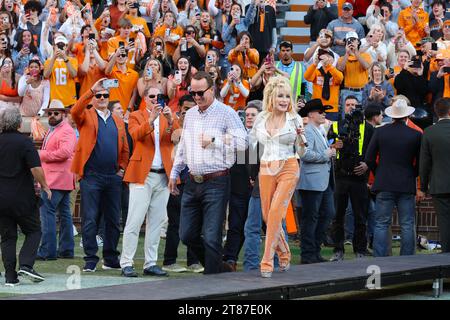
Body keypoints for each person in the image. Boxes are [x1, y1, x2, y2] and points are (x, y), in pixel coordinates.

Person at [169, 71, 247, 274]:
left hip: (217, 181)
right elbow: (184, 146)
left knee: (212, 236)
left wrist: (215, 140)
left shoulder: (227, 112)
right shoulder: (192, 114)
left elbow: (243, 142)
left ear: (211, 90)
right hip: (192, 180)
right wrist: (174, 173)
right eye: (192, 93)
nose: (196, 97)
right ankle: (218, 269)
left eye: (200, 93)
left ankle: (212, 280)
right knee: (186, 234)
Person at [70, 78, 130, 272]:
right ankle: (90, 259)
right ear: (94, 98)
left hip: (113, 177)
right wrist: (90, 90)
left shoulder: (119, 121)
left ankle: (111, 258)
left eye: (105, 95)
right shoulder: (86, 115)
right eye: (99, 95)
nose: (102, 98)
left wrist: (122, 169)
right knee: (90, 218)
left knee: (113, 219)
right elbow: (74, 111)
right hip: (92, 176)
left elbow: (125, 149)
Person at [249, 76, 306, 278]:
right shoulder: (261, 118)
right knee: (267, 215)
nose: (284, 100)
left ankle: (266, 261)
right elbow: (250, 146)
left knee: (275, 212)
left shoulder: (295, 119)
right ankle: (284, 252)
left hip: (289, 166)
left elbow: (302, 152)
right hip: (265, 167)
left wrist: (301, 139)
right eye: (280, 96)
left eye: (287, 96)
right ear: (271, 97)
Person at [120, 86, 179, 277]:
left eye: (158, 96)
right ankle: (127, 262)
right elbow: (136, 135)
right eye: (151, 96)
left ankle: (150, 263)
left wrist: (170, 120)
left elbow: (177, 137)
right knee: (134, 220)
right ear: (144, 98)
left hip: (163, 175)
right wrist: (151, 119)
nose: (155, 99)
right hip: (141, 174)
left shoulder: (169, 116)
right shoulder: (137, 115)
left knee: (157, 222)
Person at [365, 98, 423, 257]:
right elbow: (420, 162)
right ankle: (407, 259)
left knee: (381, 223)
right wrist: (412, 173)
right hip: (405, 182)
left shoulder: (380, 132)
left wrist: (379, 173)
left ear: (392, 115)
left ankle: (380, 258)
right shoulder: (415, 135)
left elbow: (369, 159)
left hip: (384, 182)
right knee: (407, 224)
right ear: (406, 116)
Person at [0, 106, 49, 286]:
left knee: (8, 237)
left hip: (1, 199)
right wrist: (45, 186)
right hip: (22, 197)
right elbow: (35, 168)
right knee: (34, 230)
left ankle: (10, 277)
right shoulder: (24, 142)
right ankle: (26, 265)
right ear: (20, 123)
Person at [327, 96, 375, 261]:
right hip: (341, 176)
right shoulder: (335, 125)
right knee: (338, 215)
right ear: (343, 107)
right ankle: (338, 250)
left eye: (354, 105)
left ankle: (360, 249)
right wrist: (334, 145)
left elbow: (375, 150)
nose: (351, 107)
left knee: (360, 215)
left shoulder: (368, 128)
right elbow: (327, 143)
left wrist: (367, 165)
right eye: (348, 105)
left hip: (359, 178)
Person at [162, 94, 203, 273]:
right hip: (177, 180)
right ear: (179, 109)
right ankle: (169, 260)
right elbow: (175, 137)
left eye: (191, 108)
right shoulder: (175, 124)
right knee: (175, 222)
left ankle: (193, 261)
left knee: (195, 222)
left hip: (195, 180)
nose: (188, 112)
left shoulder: (199, 125)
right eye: (185, 109)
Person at [37, 99, 77, 260]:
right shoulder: (55, 129)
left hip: (56, 179)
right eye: (50, 113)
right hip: (60, 178)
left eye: (56, 113)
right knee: (65, 215)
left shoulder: (65, 130)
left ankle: (48, 251)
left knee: (48, 214)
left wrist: (42, 155)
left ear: (64, 114)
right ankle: (66, 250)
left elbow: (65, 153)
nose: (52, 116)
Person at [298, 99, 336, 264]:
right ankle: (308, 253)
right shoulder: (307, 130)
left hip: (322, 180)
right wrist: (325, 156)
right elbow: (304, 154)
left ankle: (314, 250)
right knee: (311, 217)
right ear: (311, 114)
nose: (324, 114)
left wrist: (329, 153)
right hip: (312, 182)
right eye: (321, 112)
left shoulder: (320, 130)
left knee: (327, 213)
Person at [420, 97, 450, 253]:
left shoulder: (429, 132)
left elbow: (424, 163)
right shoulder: (429, 132)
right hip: (440, 184)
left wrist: (423, 187)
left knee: (444, 224)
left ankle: (446, 258)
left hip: (439, 185)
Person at [337, 31, 372, 113]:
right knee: (345, 116)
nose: (351, 42)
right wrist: (347, 53)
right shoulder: (342, 58)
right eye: (348, 40)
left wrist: (356, 52)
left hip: (362, 91)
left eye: (353, 40)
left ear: (358, 42)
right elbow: (340, 69)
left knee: (362, 116)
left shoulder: (365, 55)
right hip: (347, 91)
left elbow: (366, 66)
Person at [304, 49, 344, 120]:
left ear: (333, 60)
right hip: (317, 108)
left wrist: (328, 66)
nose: (326, 58)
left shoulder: (335, 72)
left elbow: (340, 78)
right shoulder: (316, 71)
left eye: (328, 57)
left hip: (332, 109)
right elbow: (307, 77)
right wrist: (314, 64)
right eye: (324, 56)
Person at [43, 35, 78, 107]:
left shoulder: (73, 60)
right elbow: (46, 75)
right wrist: (54, 58)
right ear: (54, 47)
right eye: (58, 45)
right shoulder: (48, 61)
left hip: (69, 99)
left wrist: (65, 58)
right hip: (55, 100)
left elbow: (74, 74)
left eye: (62, 45)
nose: (60, 47)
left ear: (66, 47)